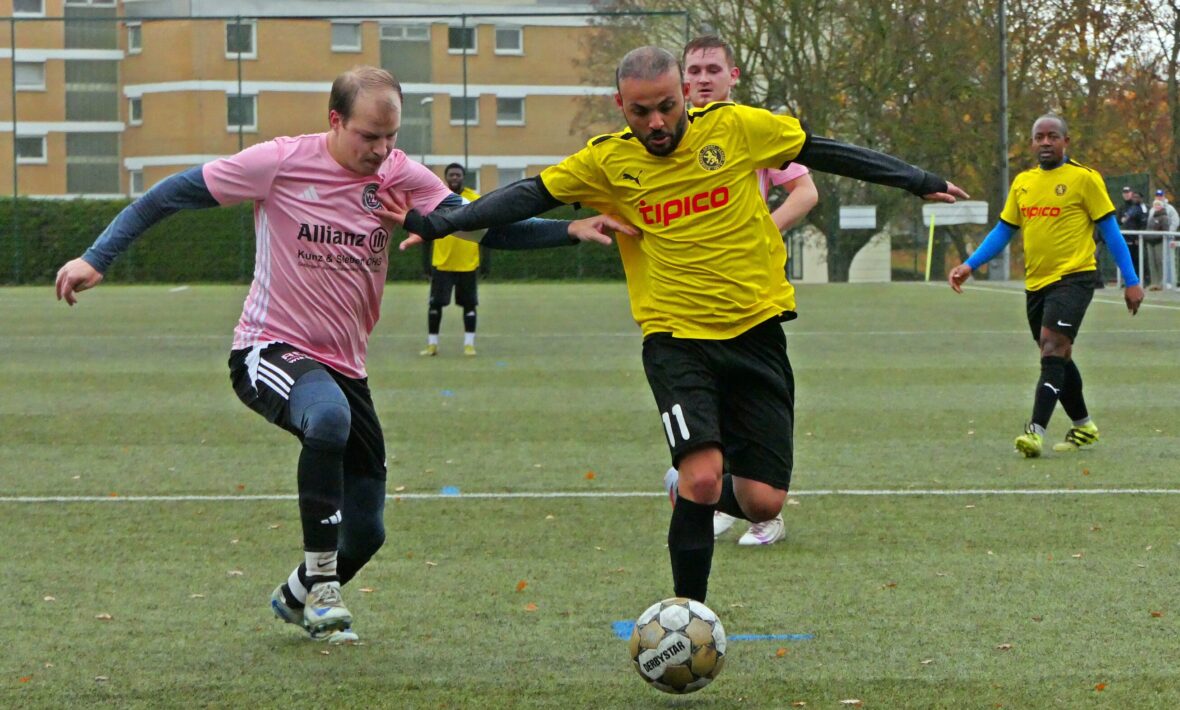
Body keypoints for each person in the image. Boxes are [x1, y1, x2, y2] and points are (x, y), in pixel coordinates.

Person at [53, 66, 630, 643]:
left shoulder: (400, 174)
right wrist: (96, 257)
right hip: (268, 347)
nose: (381, 150)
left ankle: (295, 594)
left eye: (391, 137)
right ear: (335, 120)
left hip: (345, 366)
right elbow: (167, 195)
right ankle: (324, 587)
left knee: (368, 531)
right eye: (368, 136)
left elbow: (477, 225)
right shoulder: (279, 162)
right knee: (327, 419)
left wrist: (566, 231)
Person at [380, 46, 967, 603]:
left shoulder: (736, 128)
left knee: (762, 502)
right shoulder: (608, 160)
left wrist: (918, 180)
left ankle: (682, 488)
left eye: (667, 106)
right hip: (676, 340)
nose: (657, 122)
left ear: (684, 94)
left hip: (756, 332)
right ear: (620, 105)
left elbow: (824, 150)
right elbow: (528, 195)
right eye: (641, 111)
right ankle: (689, 617)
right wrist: (438, 223)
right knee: (704, 479)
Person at [678, 34, 819, 546]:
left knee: (749, 401)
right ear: (681, 80)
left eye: (713, 69)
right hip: (690, 295)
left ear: (733, 76)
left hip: (749, 295)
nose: (703, 79)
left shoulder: (751, 128)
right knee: (707, 402)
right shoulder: (668, 133)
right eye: (694, 71)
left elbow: (805, 191)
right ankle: (722, 499)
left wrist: (763, 230)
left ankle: (763, 512)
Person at [948, 114, 1144, 458]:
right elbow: (1004, 229)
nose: (1046, 142)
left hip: (1075, 278)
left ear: (1066, 141)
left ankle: (1034, 432)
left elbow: (1111, 231)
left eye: (1053, 136)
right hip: (1037, 283)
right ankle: (1084, 427)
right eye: (1039, 137)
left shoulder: (1085, 179)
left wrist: (1132, 281)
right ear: (1032, 143)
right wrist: (970, 264)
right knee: (1059, 355)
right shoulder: (1023, 182)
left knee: (1051, 348)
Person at [421, 163, 482, 357]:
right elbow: (427, 231)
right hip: (442, 262)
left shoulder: (474, 198)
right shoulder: (437, 198)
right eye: (451, 175)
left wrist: (485, 262)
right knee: (435, 305)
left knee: (469, 305)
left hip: (467, 263)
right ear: (446, 177)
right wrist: (425, 264)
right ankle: (432, 345)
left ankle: (469, 344)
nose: (455, 178)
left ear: (463, 177)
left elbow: (485, 229)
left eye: (458, 175)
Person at [1144, 190, 1177, 289]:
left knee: (1164, 261)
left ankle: (1167, 282)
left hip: (1165, 239)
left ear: (1163, 196)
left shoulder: (1170, 208)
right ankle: (1155, 283)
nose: (1159, 197)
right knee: (1153, 261)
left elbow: (1175, 221)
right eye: (1157, 195)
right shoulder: (1152, 210)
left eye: (1160, 195)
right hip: (1152, 240)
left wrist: (1169, 234)